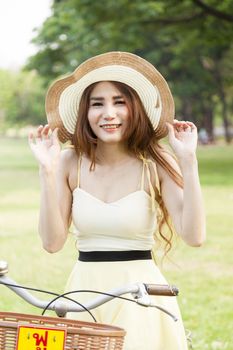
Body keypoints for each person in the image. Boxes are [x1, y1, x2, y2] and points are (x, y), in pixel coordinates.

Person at [29, 51, 205, 350]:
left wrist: (188, 161)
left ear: (134, 109)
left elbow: (194, 236)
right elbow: (52, 243)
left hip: (141, 297)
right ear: (86, 113)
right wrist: (47, 171)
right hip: (84, 293)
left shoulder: (156, 163)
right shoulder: (70, 162)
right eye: (97, 104)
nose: (108, 113)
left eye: (119, 102)